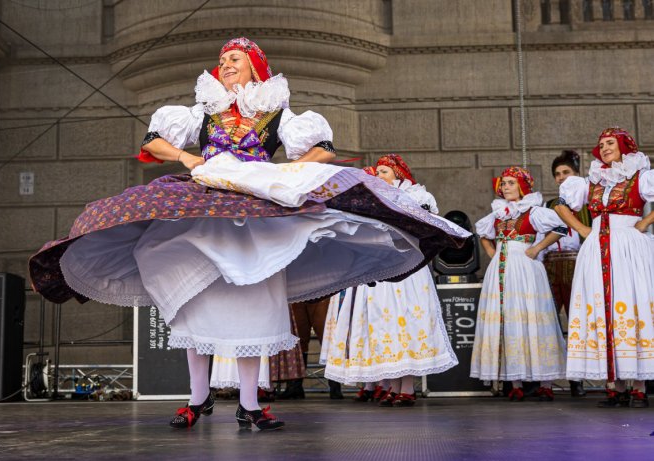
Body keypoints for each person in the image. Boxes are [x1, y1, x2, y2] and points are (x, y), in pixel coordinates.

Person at [28, 38, 471, 430]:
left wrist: (285, 170)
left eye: (234, 58)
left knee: (256, 304)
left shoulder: (277, 114)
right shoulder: (202, 112)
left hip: (256, 209)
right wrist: (187, 159)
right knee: (193, 305)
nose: (225, 64)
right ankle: (197, 398)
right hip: (205, 204)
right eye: (222, 59)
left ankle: (248, 404)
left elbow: (324, 151)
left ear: (255, 67)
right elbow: (152, 142)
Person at [320, 154, 459, 407]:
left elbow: (427, 228)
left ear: (398, 173)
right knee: (386, 325)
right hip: (384, 267)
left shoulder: (417, 197)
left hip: (409, 268)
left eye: (384, 171)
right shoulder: (375, 199)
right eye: (378, 172)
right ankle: (394, 386)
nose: (379, 176)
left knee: (407, 322)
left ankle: (407, 388)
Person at [554, 127, 654, 408]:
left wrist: (645, 223)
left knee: (630, 304)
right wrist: (584, 229)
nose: (605, 147)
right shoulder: (591, 182)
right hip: (597, 248)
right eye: (601, 144)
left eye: (610, 143)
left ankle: (639, 386)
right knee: (604, 309)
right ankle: (616, 386)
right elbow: (561, 206)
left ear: (624, 147)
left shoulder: (641, 176)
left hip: (629, 247)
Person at [471, 166, 567, 401]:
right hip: (501, 267)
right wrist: (492, 252)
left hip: (525, 266)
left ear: (523, 186)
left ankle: (545, 381)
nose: (506, 188)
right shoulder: (498, 214)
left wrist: (537, 248)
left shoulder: (533, 211)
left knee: (533, 316)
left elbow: (561, 228)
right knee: (507, 319)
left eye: (511, 183)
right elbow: (483, 234)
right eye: (503, 184)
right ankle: (514, 381)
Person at [538, 150, 590, 397]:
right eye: (557, 174)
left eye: (565, 172)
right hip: (550, 266)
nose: (561, 178)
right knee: (549, 323)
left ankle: (577, 380)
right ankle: (545, 382)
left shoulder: (587, 203)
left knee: (577, 323)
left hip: (577, 265)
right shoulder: (549, 205)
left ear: (576, 174)